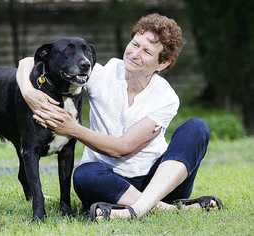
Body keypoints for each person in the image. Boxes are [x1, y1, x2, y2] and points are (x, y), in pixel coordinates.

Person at [16, 13, 222, 220]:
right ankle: (165, 209)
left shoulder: (166, 97)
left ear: (163, 63)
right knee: (84, 175)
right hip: (108, 182)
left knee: (197, 128)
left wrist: (73, 129)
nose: (135, 53)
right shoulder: (103, 74)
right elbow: (26, 62)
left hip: (160, 182)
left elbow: (122, 148)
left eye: (147, 51)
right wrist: (27, 91)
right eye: (134, 44)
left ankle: (138, 209)